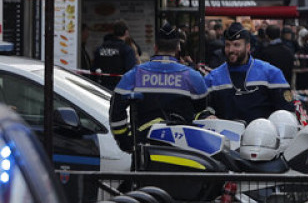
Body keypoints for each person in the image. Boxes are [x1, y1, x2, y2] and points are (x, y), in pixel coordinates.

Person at [108, 22, 208, 153]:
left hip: (144, 152)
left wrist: (125, 141)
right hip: (182, 152)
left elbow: (116, 110)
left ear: (155, 47)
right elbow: (201, 111)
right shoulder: (193, 77)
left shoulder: (134, 75)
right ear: (178, 47)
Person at [204, 22, 293, 122]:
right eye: (227, 45)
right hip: (225, 135)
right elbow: (202, 108)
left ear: (248, 47)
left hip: (263, 135)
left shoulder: (271, 74)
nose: (231, 50)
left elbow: (286, 111)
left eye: (236, 45)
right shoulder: (212, 78)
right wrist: (207, 116)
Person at [92, 20, 138, 86]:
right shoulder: (127, 50)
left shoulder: (101, 48)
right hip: (120, 88)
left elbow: (93, 68)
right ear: (126, 32)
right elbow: (131, 72)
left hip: (103, 87)